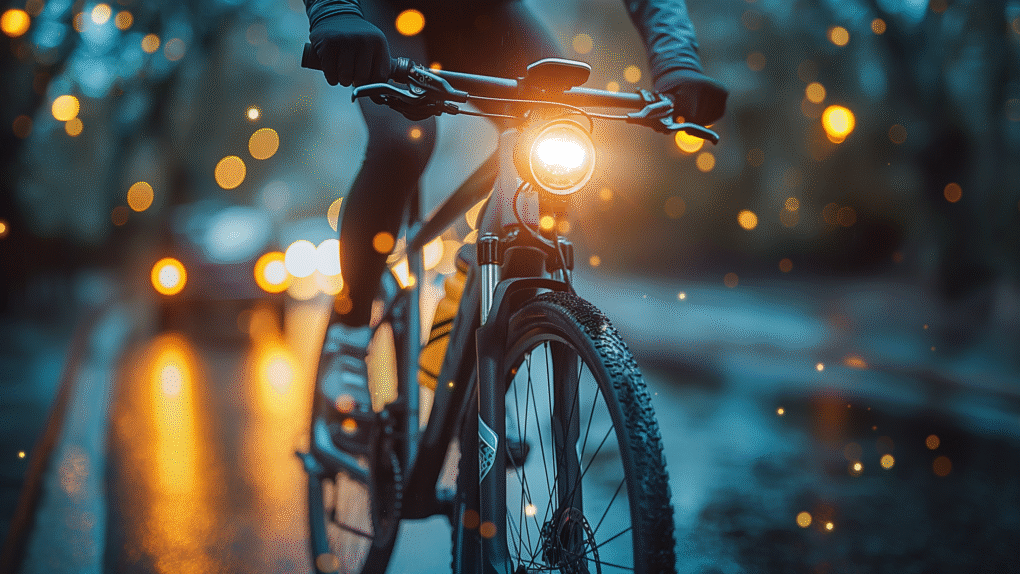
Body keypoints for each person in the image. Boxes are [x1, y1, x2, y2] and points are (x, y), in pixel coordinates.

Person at [304, 0, 728, 452]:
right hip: (386, 10)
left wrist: (677, 60)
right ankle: (348, 338)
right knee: (404, 142)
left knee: (560, 128)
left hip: (486, 16)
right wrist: (334, 11)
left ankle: (471, 363)